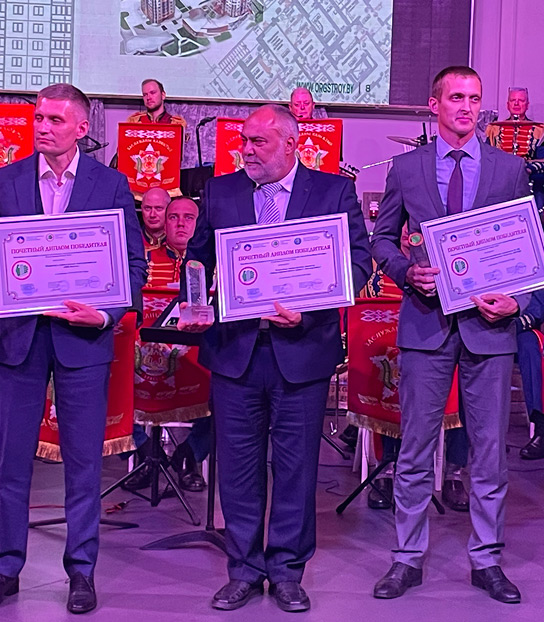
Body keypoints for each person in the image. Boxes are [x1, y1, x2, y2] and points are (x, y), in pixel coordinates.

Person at [178, 104, 371, 612]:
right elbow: (198, 258)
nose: (246, 150)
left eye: (257, 142)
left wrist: (310, 308)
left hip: (302, 350)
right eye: (243, 141)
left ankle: (286, 571)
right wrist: (193, 300)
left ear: (291, 143)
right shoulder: (221, 191)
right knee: (238, 468)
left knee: (296, 468)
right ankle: (243, 569)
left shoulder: (333, 192)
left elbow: (357, 262)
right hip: (235, 351)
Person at [0, 83, 146, 614]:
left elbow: (134, 265)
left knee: (84, 464)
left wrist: (107, 313)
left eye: (54, 120)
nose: (42, 127)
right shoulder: (6, 179)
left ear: (82, 128)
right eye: (38, 118)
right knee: (11, 463)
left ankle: (81, 572)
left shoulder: (111, 184)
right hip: (18, 339)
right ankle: (3, 569)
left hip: (82, 341)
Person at [370, 65, 531, 604]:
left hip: (490, 327)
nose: (466, 107)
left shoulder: (510, 169)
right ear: (434, 103)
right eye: (456, 97)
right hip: (426, 323)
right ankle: (406, 558)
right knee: (416, 449)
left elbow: (526, 247)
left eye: (474, 98)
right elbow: (382, 239)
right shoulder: (406, 168)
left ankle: (487, 560)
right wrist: (404, 271)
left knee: (489, 453)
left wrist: (519, 301)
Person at [125, 196, 210, 493]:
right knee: (102, 382)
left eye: (189, 218)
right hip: (144, 360)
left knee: (233, 388)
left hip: (198, 361)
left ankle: (190, 455)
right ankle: (146, 452)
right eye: (173, 217)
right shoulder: (143, 262)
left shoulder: (213, 266)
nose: (181, 224)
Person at [486, 87, 544, 210]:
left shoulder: (539, 130)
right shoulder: (494, 129)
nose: (516, 104)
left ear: (527, 105)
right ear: (508, 105)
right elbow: (486, 157)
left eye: (521, 100)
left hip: (529, 179)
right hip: (500, 180)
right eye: (513, 100)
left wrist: (526, 170)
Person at [516, 293, 544, 459]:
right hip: (485, 329)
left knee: (532, 346)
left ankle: (541, 429)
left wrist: (513, 324)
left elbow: (538, 311)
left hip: (518, 328)